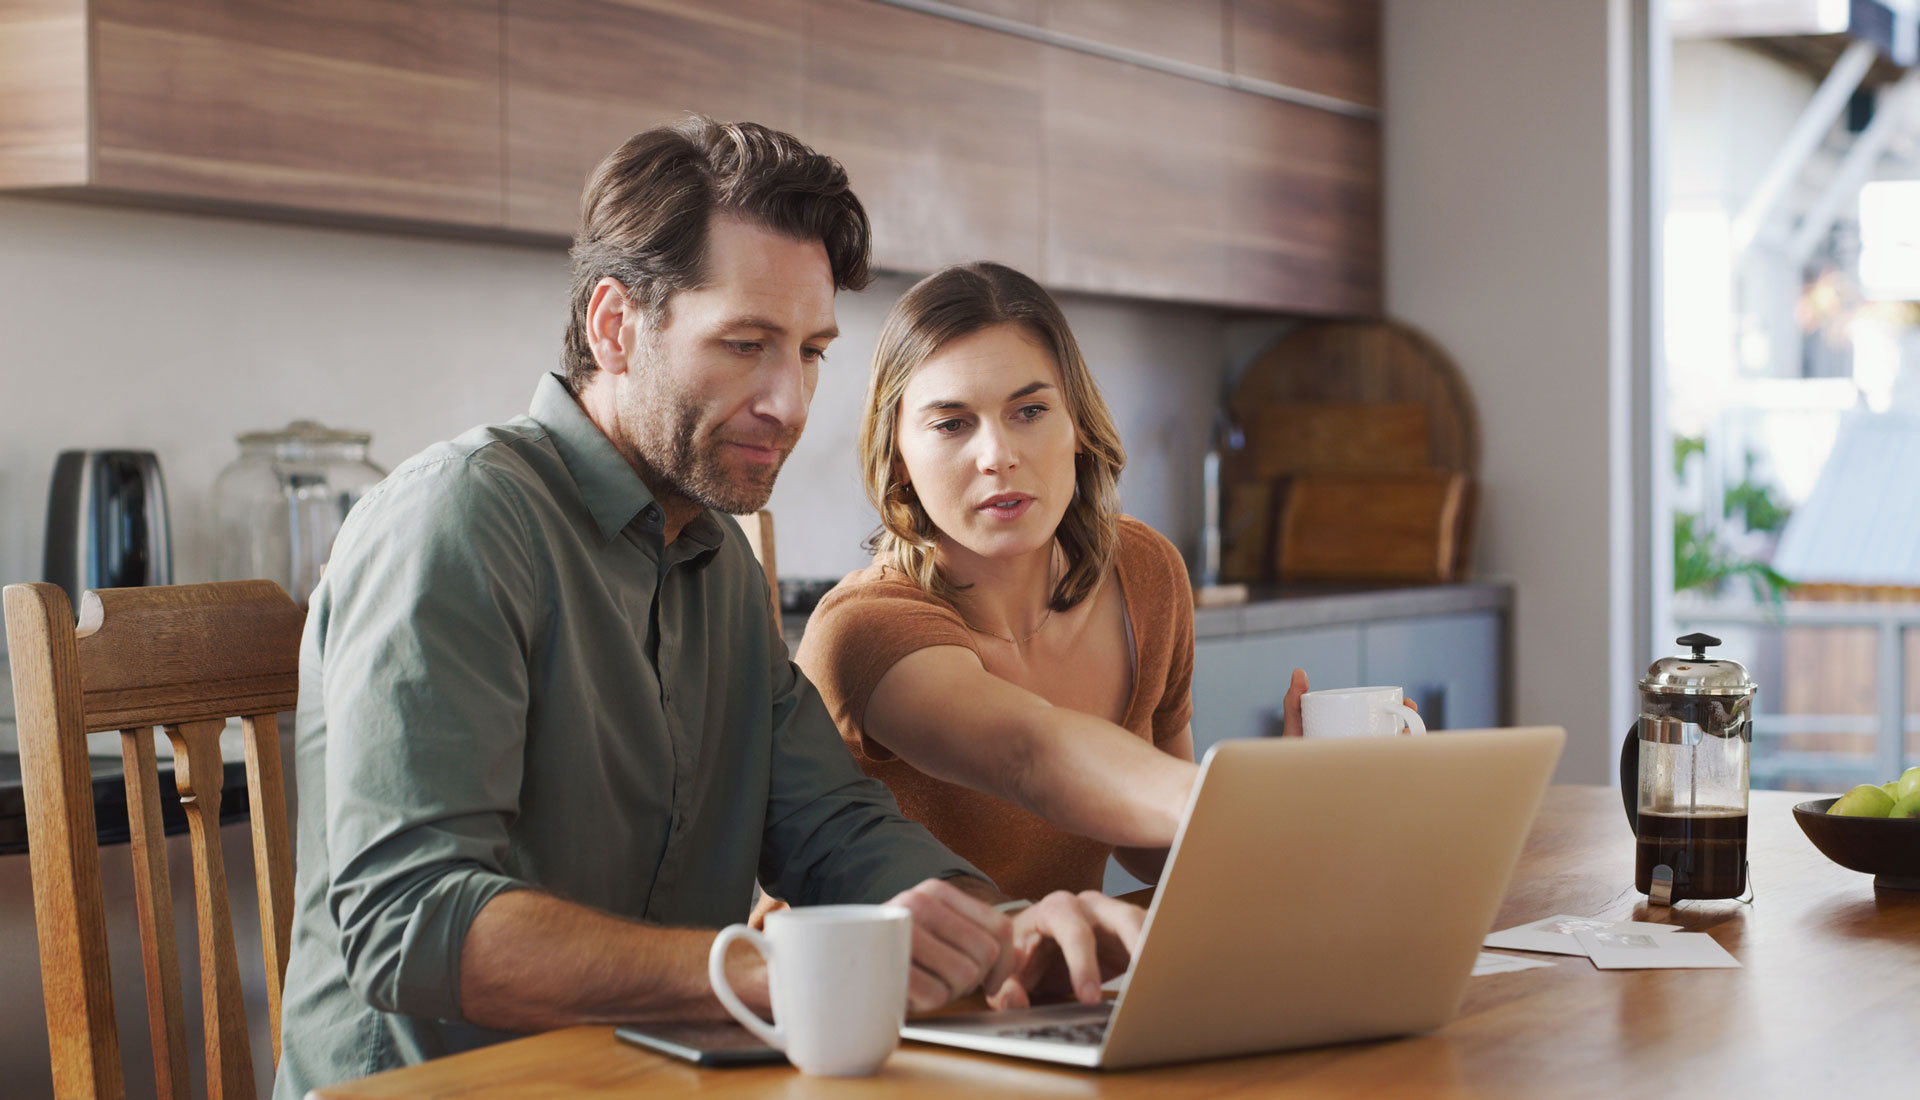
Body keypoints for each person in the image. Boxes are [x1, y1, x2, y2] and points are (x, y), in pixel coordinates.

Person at [272, 121, 1137, 1099]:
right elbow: (411, 917)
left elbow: (831, 825)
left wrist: (999, 929)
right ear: (613, 326)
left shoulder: (716, 557)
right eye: (744, 343)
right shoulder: (460, 520)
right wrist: (766, 973)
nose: (789, 400)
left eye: (811, 351)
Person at [794, 263, 1365, 902]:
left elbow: (1151, 847)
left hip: (1052, 986)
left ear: (1079, 426)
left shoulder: (1145, 575)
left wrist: (1284, 791)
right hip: (867, 993)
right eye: (951, 423)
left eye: (1030, 410)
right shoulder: (863, 627)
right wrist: (1243, 805)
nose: (997, 455)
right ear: (897, 456)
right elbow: (1031, 756)